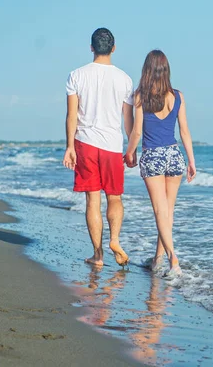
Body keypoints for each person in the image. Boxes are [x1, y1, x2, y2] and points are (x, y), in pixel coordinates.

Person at [63, 28, 135, 267]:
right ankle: (114, 239)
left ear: (91, 47)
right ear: (113, 48)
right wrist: (131, 148)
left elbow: (71, 115)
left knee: (93, 200)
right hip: (113, 146)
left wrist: (69, 146)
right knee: (115, 197)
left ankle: (98, 254)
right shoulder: (125, 79)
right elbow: (128, 121)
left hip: (85, 143)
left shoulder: (76, 75)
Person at [124, 49, 196, 276]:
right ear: (166, 70)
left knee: (159, 210)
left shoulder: (140, 97)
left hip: (153, 156)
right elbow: (184, 131)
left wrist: (129, 153)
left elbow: (136, 132)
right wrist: (191, 161)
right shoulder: (178, 96)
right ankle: (157, 260)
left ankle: (173, 260)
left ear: (147, 70)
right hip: (175, 156)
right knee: (167, 211)